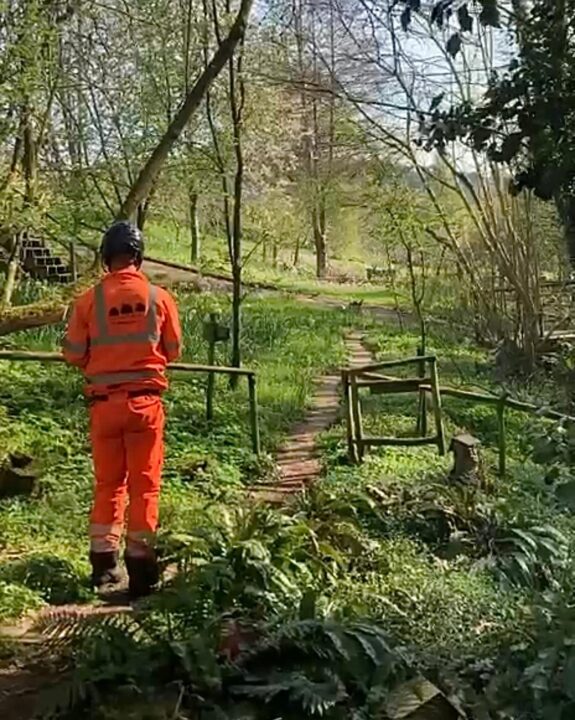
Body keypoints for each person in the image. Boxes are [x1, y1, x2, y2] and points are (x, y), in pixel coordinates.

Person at [62, 221, 182, 599]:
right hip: (145, 407)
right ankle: (142, 572)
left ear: (106, 258)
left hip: (104, 408)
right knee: (145, 486)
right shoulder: (159, 297)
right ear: (139, 256)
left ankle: (103, 567)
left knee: (108, 485)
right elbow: (174, 351)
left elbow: (73, 354)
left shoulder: (87, 301)